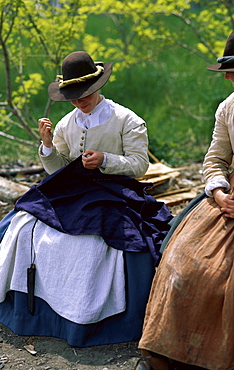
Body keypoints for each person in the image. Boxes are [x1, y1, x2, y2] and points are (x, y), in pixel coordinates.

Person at [0, 51, 172, 347]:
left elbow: (139, 165)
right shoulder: (65, 125)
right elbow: (59, 170)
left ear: (97, 87)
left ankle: (103, 315)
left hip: (115, 190)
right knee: (19, 224)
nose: (78, 101)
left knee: (122, 241)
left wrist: (105, 160)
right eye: (72, 96)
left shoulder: (128, 120)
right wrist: (47, 146)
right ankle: (34, 307)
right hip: (72, 189)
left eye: (83, 94)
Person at [136, 31, 234, 370]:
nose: (229, 78)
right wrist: (219, 192)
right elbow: (215, 159)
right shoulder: (228, 108)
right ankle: (167, 352)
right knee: (182, 261)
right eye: (228, 71)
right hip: (229, 197)